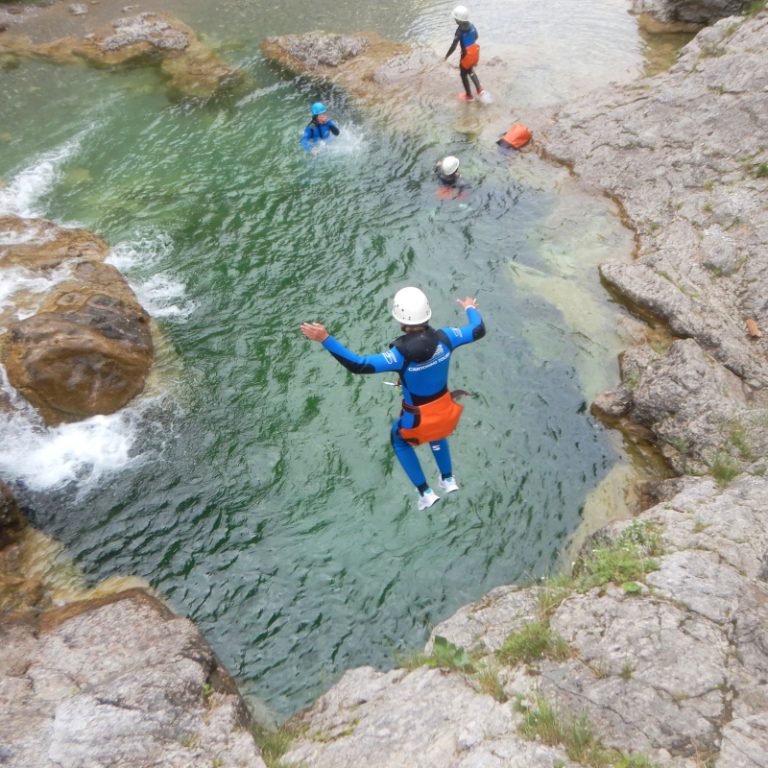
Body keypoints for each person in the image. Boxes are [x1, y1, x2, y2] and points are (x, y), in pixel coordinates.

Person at [300, 287, 486, 511]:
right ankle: (448, 479)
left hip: (416, 418)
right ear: (427, 313)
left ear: (400, 321)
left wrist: (325, 339)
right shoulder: (447, 338)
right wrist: (469, 308)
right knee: (436, 432)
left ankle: (425, 493)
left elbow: (359, 364)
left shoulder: (398, 356)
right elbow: (478, 329)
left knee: (399, 440)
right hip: (445, 410)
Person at [444, 5, 484, 102]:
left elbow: (453, 46)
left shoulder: (459, 32)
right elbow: (476, 36)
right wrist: (469, 44)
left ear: (459, 20)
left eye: (455, 18)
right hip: (475, 52)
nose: (455, 20)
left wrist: (447, 56)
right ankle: (479, 89)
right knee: (470, 70)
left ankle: (469, 96)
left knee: (463, 74)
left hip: (466, 55)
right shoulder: (472, 25)